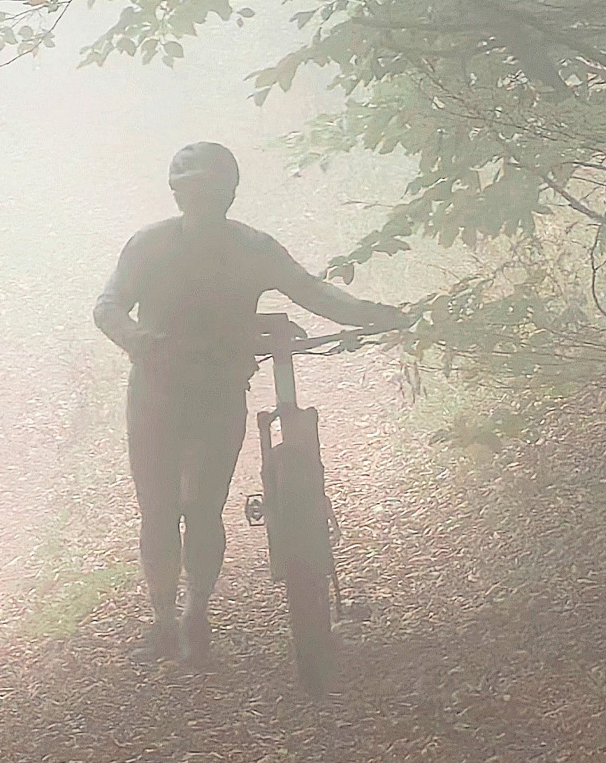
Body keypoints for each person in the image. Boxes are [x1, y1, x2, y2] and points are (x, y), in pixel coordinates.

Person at [94, 141, 406, 662]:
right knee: (165, 508)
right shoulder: (169, 246)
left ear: (227, 193)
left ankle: (189, 615)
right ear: (179, 194)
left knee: (198, 508)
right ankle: (171, 617)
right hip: (163, 389)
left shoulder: (245, 247)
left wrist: (375, 313)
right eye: (192, 191)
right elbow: (109, 307)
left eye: (207, 190)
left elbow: (314, 293)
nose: (200, 200)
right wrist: (136, 339)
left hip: (198, 390)